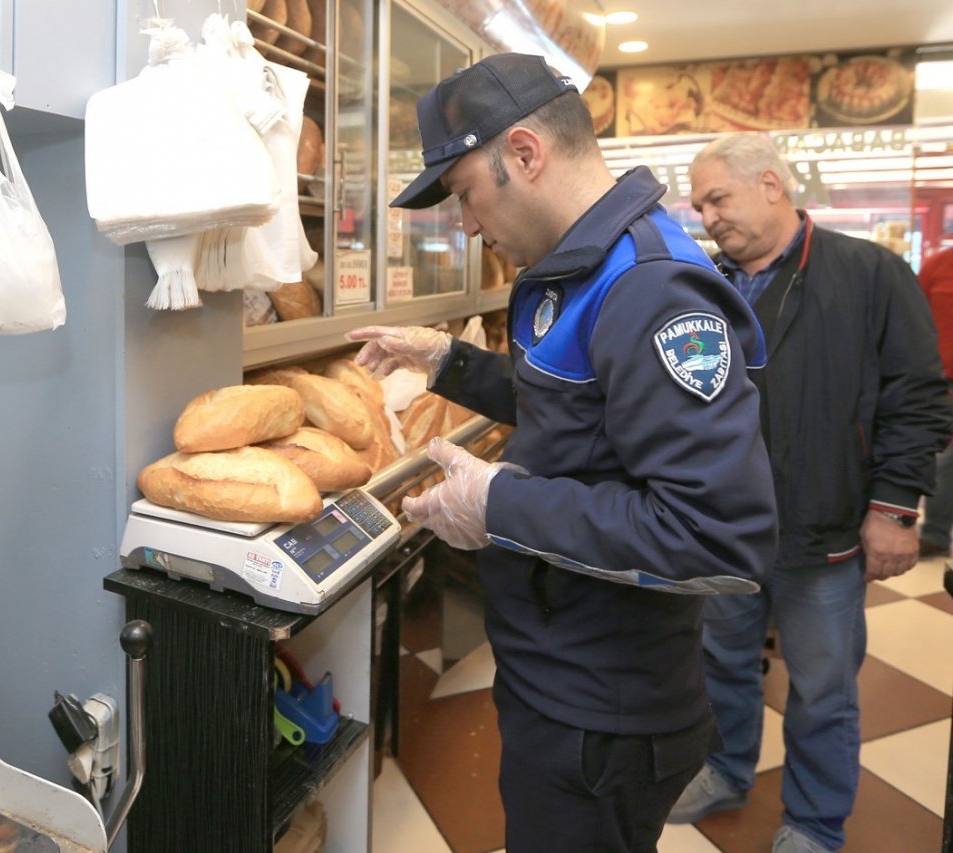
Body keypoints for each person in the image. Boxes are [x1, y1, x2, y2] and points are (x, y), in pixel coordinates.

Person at [347, 54, 779, 852]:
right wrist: (448, 362)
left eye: (466, 192)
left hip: (605, 709)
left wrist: (498, 504)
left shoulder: (651, 287)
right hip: (556, 670)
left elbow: (717, 536)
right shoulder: (571, 269)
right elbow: (580, 409)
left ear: (524, 153)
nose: (468, 222)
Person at [669, 133, 951, 853]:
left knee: (824, 688)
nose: (707, 216)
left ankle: (815, 820)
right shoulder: (706, 284)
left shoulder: (870, 271)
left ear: (770, 185)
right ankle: (727, 768)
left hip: (824, 526)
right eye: (699, 204)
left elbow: (917, 395)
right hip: (725, 527)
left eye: (717, 198)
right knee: (721, 663)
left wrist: (893, 506)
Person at [917, 245, 953, 557]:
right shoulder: (938, 264)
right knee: (944, 460)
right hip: (944, 379)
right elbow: (915, 320)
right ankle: (936, 533)